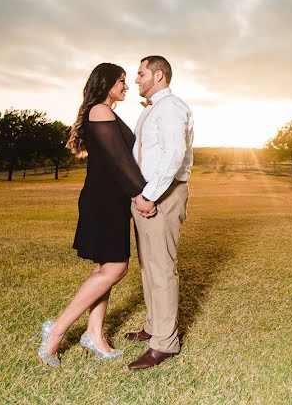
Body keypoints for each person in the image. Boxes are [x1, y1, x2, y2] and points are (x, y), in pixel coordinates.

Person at [37, 63, 149, 367]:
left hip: (108, 199)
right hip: (103, 201)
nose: (127, 86)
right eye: (122, 81)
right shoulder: (100, 110)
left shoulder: (105, 110)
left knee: (104, 272)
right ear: (107, 84)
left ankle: (94, 335)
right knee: (115, 270)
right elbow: (121, 162)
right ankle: (56, 332)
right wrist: (140, 195)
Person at [125, 55, 194, 371]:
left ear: (159, 75)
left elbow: (174, 155)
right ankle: (154, 327)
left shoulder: (171, 107)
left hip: (162, 196)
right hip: (145, 196)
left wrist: (150, 195)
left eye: (140, 74)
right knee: (148, 265)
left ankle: (164, 344)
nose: (136, 80)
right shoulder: (153, 109)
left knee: (162, 268)